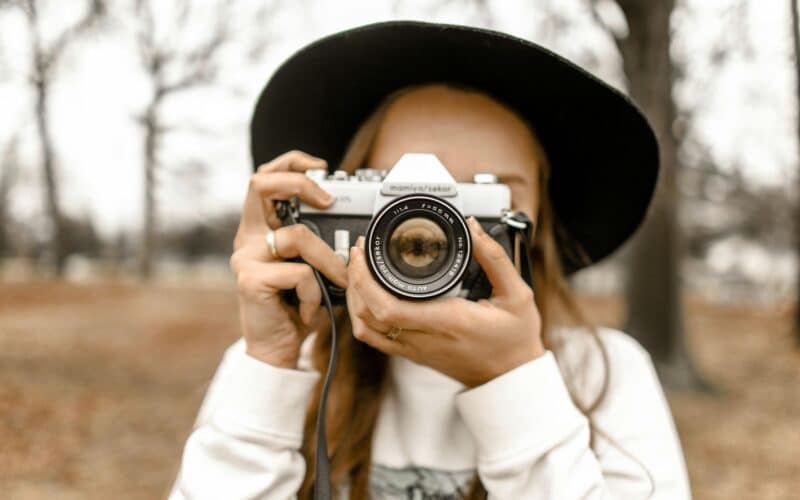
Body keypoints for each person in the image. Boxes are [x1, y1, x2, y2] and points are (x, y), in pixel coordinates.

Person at [168, 21, 692, 500]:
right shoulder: (287, 364)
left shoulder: (604, 371)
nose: (437, 227)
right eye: (402, 194)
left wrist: (513, 380)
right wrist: (269, 368)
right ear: (342, 207)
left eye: (485, 196)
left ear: (534, 222)